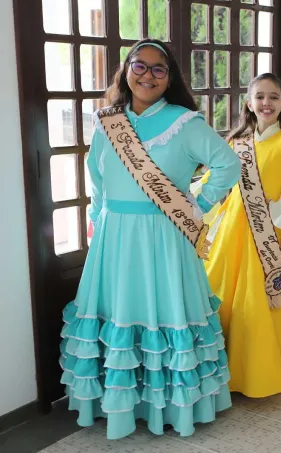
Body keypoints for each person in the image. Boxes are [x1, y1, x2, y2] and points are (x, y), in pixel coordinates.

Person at [59, 38, 241, 439]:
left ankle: (168, 408)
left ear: (170, 78)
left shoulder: (184, 121)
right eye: (140, 66)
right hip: (114, 236)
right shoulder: (109, 121)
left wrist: (198, 206)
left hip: (164, 236)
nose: (148, 75)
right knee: (120, 313)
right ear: (126, 69)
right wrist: (97, 221)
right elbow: (98, 180)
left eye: (159, 69)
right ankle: (122, 401)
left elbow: (227, 164)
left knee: (166, 313)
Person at [200, 73, 281, 398]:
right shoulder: (235, 141)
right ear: (249, 102)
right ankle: (216, 370)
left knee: (259, 296)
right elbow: (216, 178)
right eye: (260, 96)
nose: (266, 103)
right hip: (231, 230)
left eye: (274, 97)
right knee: (222, 292)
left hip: (265, 232)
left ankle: (257, 373)